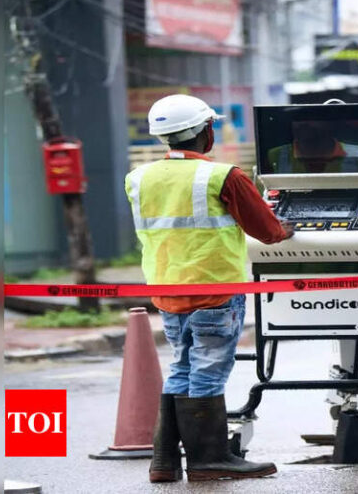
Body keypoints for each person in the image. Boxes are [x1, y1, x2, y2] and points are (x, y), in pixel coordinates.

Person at [125, 94, 295, 482]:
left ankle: (164, 461)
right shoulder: (223, 176)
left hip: (167, 290)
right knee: (208, 371)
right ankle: (209, 458)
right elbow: (267, 231)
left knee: (182, 366)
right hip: (216, 292)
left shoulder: (138, 178)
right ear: (206, 131)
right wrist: (287, 228)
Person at [268, 119, 358, 173]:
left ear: (331, 123)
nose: (304, 123)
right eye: (298, 118)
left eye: (313, 118)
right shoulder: (274, 155)